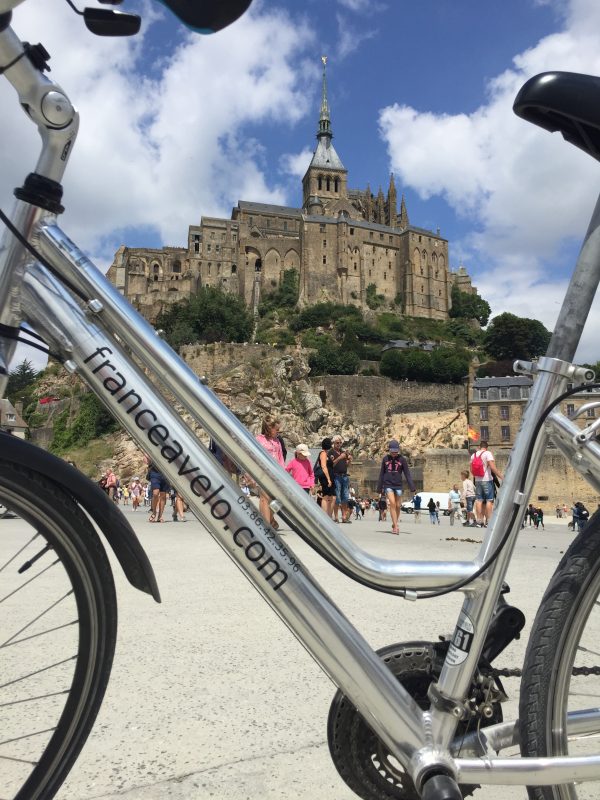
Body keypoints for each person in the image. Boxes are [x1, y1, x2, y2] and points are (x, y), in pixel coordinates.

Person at [376, 439, 415, 535]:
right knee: (392, 503)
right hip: (388, 484)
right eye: (392, 451)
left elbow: (407, 474)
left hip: (398, 485)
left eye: (396, 451)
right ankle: (396, 526)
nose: (394, 453)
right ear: (389, 450)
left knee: (398, 505)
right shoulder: (385, 459)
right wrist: (379, 487)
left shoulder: (402, 460)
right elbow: (381, 474)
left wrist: (412, 487)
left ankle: (395, 523)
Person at [256, 414, 285, 530]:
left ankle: (271, 520)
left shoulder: (277, 441)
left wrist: (283, 474)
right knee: (264, 498)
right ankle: (267, 526)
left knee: (274, 500)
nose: (278, 431)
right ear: (269, 428)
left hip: (275, 474)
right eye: (276, 429)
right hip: (263, 473)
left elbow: (281, 458)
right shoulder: (259, 439)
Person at [470, 440, 503, 528]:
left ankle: (479, 522)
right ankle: (488, 521)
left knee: (479, 500)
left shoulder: (474, 455)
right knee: (489, 501)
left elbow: (471, 470)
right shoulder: (488, 453)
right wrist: (501, 476)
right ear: (486, 447)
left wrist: (477, 477)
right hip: (487, 480)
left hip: (477, 481)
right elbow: (492, 467)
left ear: (479, 447)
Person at [329, 435, 353, 524]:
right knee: (337, 497)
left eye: (340, 443)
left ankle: (343, 517)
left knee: (345, 497)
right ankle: (336, 517)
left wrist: (349, 460)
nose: (339, 444)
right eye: (337, 443)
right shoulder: (331, 452)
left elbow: (346, 465)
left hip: (344, 476)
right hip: (336, 476)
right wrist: (339, 458)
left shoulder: (343, 452)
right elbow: (331, 465)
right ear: (333, 443)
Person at [314, 437, 336, 518]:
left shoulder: (326, 454)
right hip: (326, 477)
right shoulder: (323, 453)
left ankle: (329, 515)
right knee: (326, 496)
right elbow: (323, 466)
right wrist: (328, 479)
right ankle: (325, 516)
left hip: (330, 476)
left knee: (332, 496)